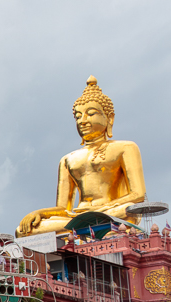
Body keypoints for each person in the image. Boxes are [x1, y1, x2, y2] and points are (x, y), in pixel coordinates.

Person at [17, 76, 147, 238]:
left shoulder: (125, 147)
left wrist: (101, 209)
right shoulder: (68, 159)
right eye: (78, 116)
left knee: (127, 209)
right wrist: (39, 213)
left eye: (91, 114)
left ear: (109, 118)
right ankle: (87, 228)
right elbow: (63, 208)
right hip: (77, 217)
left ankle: (92, 226)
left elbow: (138, 195)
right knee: (23, 231)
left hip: (111, 211)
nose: (82, 121)